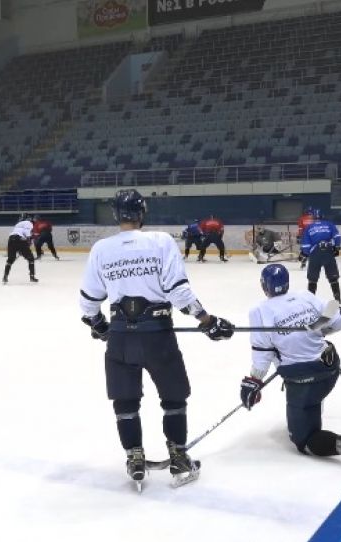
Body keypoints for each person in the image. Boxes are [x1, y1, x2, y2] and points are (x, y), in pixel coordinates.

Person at [78, 189, 235, 491]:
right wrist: (208, 321)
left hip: (121, 337)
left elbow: (87, 305)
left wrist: (102, 327)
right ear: (142, 213)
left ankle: (134, 457)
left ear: (116, 215)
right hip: (158, 335)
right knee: (174, 398)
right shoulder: (161, 241)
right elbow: (178, 292)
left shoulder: (101, 249)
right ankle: (178, 456)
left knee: (125, 402)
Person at [239, 264, 341, 465]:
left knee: (304, 440)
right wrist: (318, 329)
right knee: (313, 395)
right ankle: (312, 407)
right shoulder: (306, 296)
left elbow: (262, 354)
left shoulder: (259, 312)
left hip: (304, 381)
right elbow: (340, 318)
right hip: (330, 369)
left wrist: (254, 380)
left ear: (264, 286)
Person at [300, 209, 341, 303]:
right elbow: (337, 237)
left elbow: (306, 245)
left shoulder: (309, 227)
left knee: (312, 279)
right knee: (333, 277)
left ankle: (310, 301)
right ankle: (337, 299)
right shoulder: (329, 224)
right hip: (328, 251)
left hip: (315, 253)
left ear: (313, 217)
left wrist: (305, 253)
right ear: (322, 216)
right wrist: (336, 247)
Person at [4, 213, 37, 284]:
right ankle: (32, 276)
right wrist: (29, 239)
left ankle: (5, 277)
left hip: (11, 240)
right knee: (30, 258)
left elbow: (20, 232)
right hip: (20, 240)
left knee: (10, 259)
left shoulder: (18, 224)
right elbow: (26, 232)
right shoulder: (28, 223)